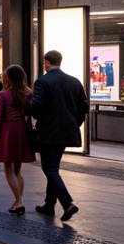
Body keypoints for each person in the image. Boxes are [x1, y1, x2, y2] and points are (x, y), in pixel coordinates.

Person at [29, 50, 87, 222]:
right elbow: (83, 106)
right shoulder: (74, 81)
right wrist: (75, 123)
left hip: (49, 131)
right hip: (67, 130)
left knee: (49, 168)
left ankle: (67, 203)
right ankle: (49, 205)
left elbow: (36, 106)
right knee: (54, 167)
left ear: (46, 62)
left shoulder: (43, 81)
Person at [0, 65, 35, 216]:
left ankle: (19, 202)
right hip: (22, 130)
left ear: (7, 78)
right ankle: (17, 202)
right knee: (18, 170)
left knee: (8, 169)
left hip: (7, 131)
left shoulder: (2, 95)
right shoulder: (29, 93)